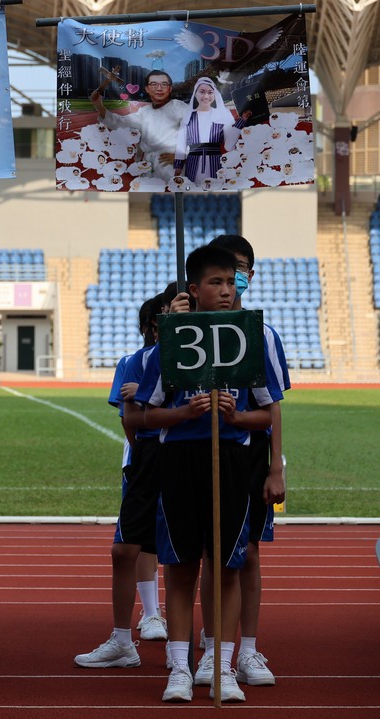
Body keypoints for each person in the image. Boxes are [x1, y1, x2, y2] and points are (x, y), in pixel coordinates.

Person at [135, 244, 282, 704]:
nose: (225, 291)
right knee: (181, 567)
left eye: (230, 282)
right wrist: (184, 413)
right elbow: (145, 415)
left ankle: (221, 666)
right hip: (180, 461)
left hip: (233, 460)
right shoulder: (170, 342)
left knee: (228, 567)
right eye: (215, 282)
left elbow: (267, 412)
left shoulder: (247, 338)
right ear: (194, 289)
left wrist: (236, 416)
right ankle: (179, 667)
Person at [194, 235, 289, 689]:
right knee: (211, 554)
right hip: (199, 451)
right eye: (225, 271)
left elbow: (273, 405)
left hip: (248, 454)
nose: (233, 281)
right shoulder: (189, 329)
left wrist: (276, 467)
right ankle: (212, 647)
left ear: (250, 275)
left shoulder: (261, 333)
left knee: (246, 553)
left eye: (241, 271)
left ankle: (247, 649)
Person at [75, 292, 170, 671]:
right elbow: (130, 422)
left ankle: (197, 643)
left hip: (182, 460)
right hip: (143, 462)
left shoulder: (190, 362)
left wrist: (144, 400)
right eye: (162, 316)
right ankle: (142, 621)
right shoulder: (134, 362)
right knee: (131, 546)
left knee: (183, 549)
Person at [91, 69, 188, 182]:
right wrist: (99, 105)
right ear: (147, 89)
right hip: (148, 164)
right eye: (154, 84)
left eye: (164, 84)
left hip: (170, 165)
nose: (159, 88)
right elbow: (120, 122)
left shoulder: (180, 107)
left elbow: (196, 133)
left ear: (170, 88)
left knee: (171, 191)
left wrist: (182, 156)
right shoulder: (144, 112)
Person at [174, 77, 249, 184]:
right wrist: (178, 167)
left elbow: (229, 146)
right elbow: (181, 144)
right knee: (193, 190)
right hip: (192, 164)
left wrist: (242, 121)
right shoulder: (188, 116)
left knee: (216, 189)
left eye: (210, 92)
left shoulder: (222, 115)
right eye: (202, 92)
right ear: (195, 94)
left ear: (215, 95)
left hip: (216, 163)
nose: (206, 96)